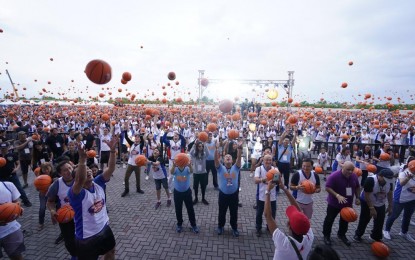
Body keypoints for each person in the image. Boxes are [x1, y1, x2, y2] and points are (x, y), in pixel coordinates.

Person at [68, 135, 118, 260]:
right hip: (87, 236)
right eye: (85, 171)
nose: (89, 171)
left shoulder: (98, 182)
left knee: (111, 251)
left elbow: (111, 168)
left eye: (89, 170)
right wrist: (82, 160)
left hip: (104, 228)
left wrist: (112, 151)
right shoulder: (76, 194)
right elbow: (80, 180)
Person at [264, 174, 314, 259]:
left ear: (289, 226)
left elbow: (267, 215)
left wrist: (267, 191)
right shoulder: (309, 238)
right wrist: (284, 188)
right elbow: (300, 212)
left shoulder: (283, 244)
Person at [322, 161, 360, 246]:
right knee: (329, 219)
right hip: (334, 203)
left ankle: (342, 235)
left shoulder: (354, 176)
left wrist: (357, 198)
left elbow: (357, 187)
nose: (350, 172)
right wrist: (337, 195)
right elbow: (327, 187)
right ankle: (326, 236)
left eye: (352, 170)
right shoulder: (334, 176)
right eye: (348, 170)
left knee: (345, 220)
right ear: (342, 167)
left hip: (347, 203)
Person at [46, 159, 77, 257]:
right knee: (69, 242)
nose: (69, 171)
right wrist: (52, 210)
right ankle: (74, 255)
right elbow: (50, 201)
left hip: (81, 215)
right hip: (66, 216)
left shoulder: (79, 179)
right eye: (65, 170)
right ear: (60, 173)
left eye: (70, 168)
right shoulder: (56, 185)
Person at [353, 169, 394, 242]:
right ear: (380, 176)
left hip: (380, 202)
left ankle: (376, 236)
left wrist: (390, 206)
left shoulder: (390, 182)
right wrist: (371, 208)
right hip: (366, 201)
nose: (386, 181)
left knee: (380, 220)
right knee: (365, 218)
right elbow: (367, 196)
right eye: (385, 179)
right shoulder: (370, 180)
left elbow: (390, 193)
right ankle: (358, 234)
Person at [214, 139, 243, 237]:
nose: (228, 158)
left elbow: (239, 158)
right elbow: (216, 160)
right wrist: (216, 149)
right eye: (226, 157)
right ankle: (220, 226)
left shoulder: (236, 167)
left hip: (234, 195)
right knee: (222, 212)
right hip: (223, 194)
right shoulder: (220, 168)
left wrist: (239, 149)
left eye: (229, 157)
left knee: (234, 212)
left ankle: (234, 228)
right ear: (223, 160)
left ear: (232, 160)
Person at [383, 158, 415, 242]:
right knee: (394, 215)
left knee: (407, 217)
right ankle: (386, 230)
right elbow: (401, 183)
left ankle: (404, 232)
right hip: (400, 199)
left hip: (412, 200)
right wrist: (408, 178)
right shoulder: (404, 173)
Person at [170, 153, 199, 234]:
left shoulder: (187, 169)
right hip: (177, 192)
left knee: (190, 209)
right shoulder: (175, 169)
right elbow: (171, 172)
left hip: (187, 192)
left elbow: (192, 171)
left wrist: (189, 165)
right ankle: (179, 224)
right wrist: (173, 165)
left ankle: (193, 225)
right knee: (178, 209)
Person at [0, 142, 32, 207]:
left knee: (19, 188)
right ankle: (5, 204)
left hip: (12, 176)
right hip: (1, 177)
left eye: (5, 148)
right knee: (3, 191)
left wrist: (16, 169)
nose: (3, 150)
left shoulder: (12, 155)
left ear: (8, 148)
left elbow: (18, 163)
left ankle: (26, 201)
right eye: (2, 148)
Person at [0, 181, 26, 260]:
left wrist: (17, 209)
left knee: (17, 257)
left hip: (11, 230)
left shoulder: (8, 185)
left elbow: (17, 202)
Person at [254, 154, 278, 237]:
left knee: (272, 213)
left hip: (272, 196)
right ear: (263, 161)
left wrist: (275, 180)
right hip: (261, 196)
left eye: (270, 160)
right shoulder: (259, 169)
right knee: (259, 213)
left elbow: (278, 181)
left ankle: (270, 227)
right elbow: (255, 180)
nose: (268, 162)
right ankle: (258, 228)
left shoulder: (275, 170)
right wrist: (263, 179)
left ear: (272, 161)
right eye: (266, 160)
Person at [121, 132, 145, 197]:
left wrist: (141, 135)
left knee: (138, 178)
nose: (136, 138)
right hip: (130, 164)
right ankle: (126, 190)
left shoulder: (141, 145)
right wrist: (125, 130)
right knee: (126, 178)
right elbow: (126, 137)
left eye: (138, 137)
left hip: (137, 165)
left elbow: (143, 141)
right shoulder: (131, 144)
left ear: (140, 139)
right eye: (136, 137)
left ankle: (138, 189)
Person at [189, 139, 210, 205]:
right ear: (197, 147)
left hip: (203, 173)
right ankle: (196, 198)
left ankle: (203, 198)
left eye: (202, 146)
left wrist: (205, 144)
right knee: (195, 187)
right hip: (196, 173)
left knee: (203, 186)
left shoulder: (204, 154)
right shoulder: (194, 155)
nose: (201, 147)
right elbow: (190, 152)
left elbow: (208, 153)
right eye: (199, 146)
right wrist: (194, 145)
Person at [36, 162, 54, 231]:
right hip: (43, 194)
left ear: (50, 168)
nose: (46, 170)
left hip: (52, 195)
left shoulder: (54, 175)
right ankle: (41, 223)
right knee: (42, 208)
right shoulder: (40, 177)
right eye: (44, 169)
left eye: (47, 168)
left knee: (55, 207)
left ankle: (58, 218)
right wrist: (40, 186)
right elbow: (37, 189)